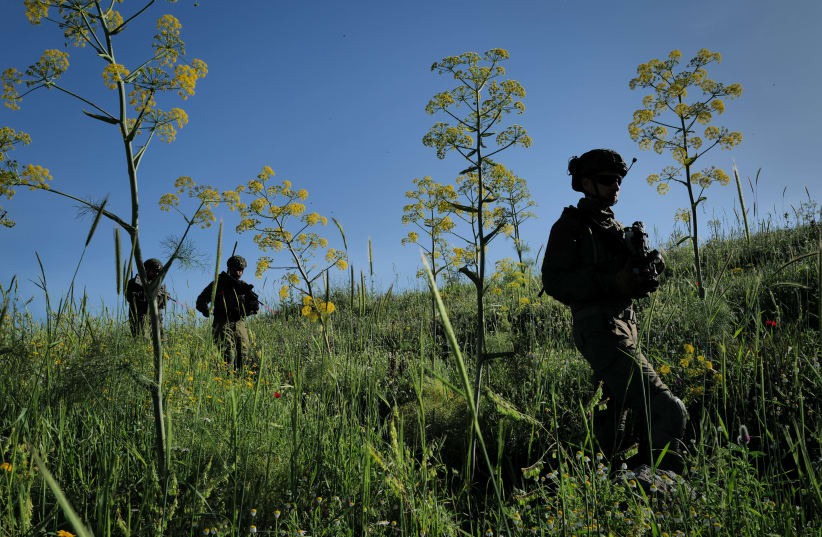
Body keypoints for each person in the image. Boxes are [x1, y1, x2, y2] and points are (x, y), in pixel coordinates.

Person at [540, 148, 687, 473]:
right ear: (586, 183)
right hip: (601, 331)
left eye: (619, 180)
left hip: (624, 328)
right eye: (608, 180)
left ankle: (617, 492)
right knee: (668, 410)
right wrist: (614, 282)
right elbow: (554, 281)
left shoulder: (616, 229)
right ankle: (665, 490)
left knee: (613, 429)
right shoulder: (571, 227)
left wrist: (647, 268)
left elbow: (629, 281)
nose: (615, 185)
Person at [196, 255, 260, 370]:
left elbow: (253, 304)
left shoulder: (243, 286)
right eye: (236, 269)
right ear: (230, 269)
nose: (239, 273)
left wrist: (252, 307)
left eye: (241, 270)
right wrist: (205, 309)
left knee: (243, 354)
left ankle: (241, 381)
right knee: (228, 353)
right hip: (222, 322)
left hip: (239, 323)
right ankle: (226, 380)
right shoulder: (219, 283)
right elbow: (201, 299)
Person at [125, 258, 168, 337]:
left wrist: (162, 297)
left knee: (163, 342)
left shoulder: (159, 287)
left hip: (156, 322)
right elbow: (130, 297)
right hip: (139, 321)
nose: (156, 274)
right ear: (146, 270)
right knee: (141, 343)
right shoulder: (133, 283)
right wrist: (148, 294)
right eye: (154, 271)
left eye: (158, 272)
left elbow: (162, 304)